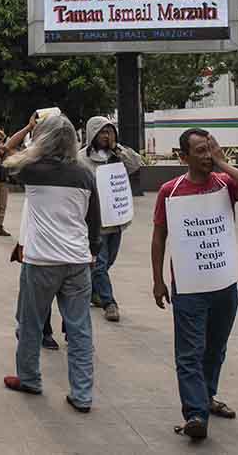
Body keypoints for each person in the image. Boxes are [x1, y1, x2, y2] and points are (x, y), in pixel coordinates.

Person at [152, 128, 238, 441]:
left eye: (209, 149)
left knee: (215, 349)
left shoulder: (225, 184)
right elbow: (159, 235)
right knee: (190, 352)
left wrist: (223, 164)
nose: (206, 156)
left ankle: (206, 397)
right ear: (183, 157)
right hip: (189, 287)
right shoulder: (170, 191)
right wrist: (157, 280)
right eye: (200, 151)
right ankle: (195, 414)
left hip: (224, 284)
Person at [1, 113, 100, 413]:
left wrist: (27, 129)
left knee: (30, 324)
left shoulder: (31, 169)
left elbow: (3, 154)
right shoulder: (85, 174)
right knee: (80, 329)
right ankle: (82, 394)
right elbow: (94, 219)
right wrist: (93, 251)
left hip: (41, 260)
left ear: (42, 138)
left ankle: (30, 378)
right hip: (78, 260)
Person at [78, 116, 144, 322]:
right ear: (93, 134)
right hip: (94, 222)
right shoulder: (81, 159)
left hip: (116, 220)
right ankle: (109, 303)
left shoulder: (117, 154)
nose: (107, 136)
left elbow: (135, 165)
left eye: (110, 132)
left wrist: (118, 150)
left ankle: (93, 291)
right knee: (100, 262)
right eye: (103, 132)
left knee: (108, 261)